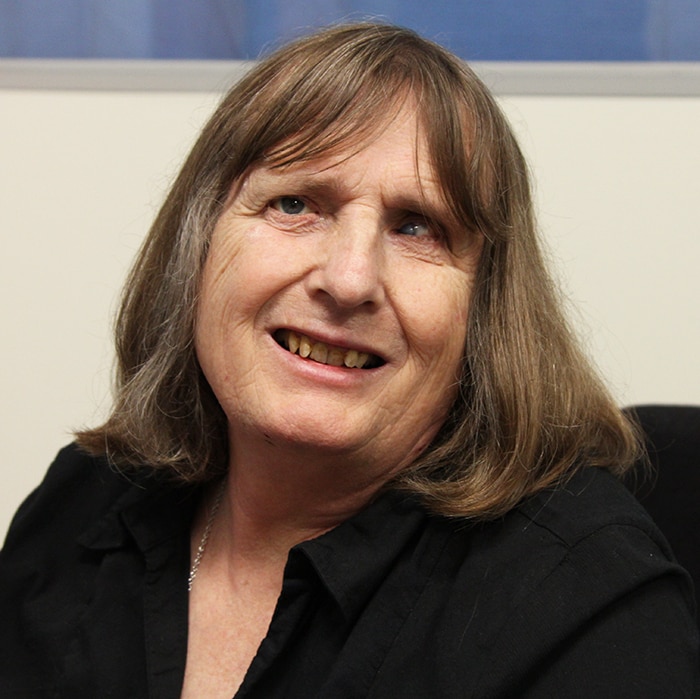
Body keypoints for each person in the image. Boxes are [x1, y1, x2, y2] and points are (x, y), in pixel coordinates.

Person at [0, 22, 697, 698]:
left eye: (417, 226)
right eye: (297, 203)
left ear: (484, 313)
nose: (349, 278)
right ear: (197, 246)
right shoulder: (84, 498)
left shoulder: (583, 601)